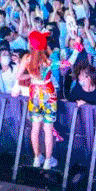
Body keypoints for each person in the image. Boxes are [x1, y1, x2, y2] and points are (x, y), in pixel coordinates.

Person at [12, 29, 58, 170]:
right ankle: (48, 161)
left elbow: (18, 76)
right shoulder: (48, 59)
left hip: (34, 93)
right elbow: (65, 64)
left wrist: (30, 77)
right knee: (48, 129)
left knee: (35, 128)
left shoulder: (27, 58)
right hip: (48, 92)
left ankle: (37, 158)